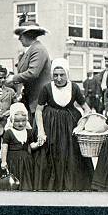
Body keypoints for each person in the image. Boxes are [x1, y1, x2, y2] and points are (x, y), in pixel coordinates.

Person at [33, 58, 94, 191]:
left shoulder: (74, 87)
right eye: (55, 75)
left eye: (62, 75)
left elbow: (87, 109)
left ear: (67, 74)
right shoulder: (47, 88)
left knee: (71, 155)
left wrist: (81, 125)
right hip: (51, 124)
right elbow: (39, 110)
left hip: (70, 124)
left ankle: (70, 184)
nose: (59, 78)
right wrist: (41, 131)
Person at [5, 20, 51, 121]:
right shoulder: (30, 50)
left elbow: (33, 73)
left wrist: (13, 78)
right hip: (31, 100)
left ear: (28, 35)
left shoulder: (38, 49)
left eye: (21, 35)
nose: (19, 39)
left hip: (39, 100)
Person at [0, 103, 41, 191]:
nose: (20, 124)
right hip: (12, 161)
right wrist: (3, 161)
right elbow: (4, 148)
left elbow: (32, 145)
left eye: (23, 121)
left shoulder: (28, 132)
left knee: (25, 180)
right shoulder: (8, 133)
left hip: (26, 162)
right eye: (17, 121)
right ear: (11, 120)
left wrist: (38, 143)